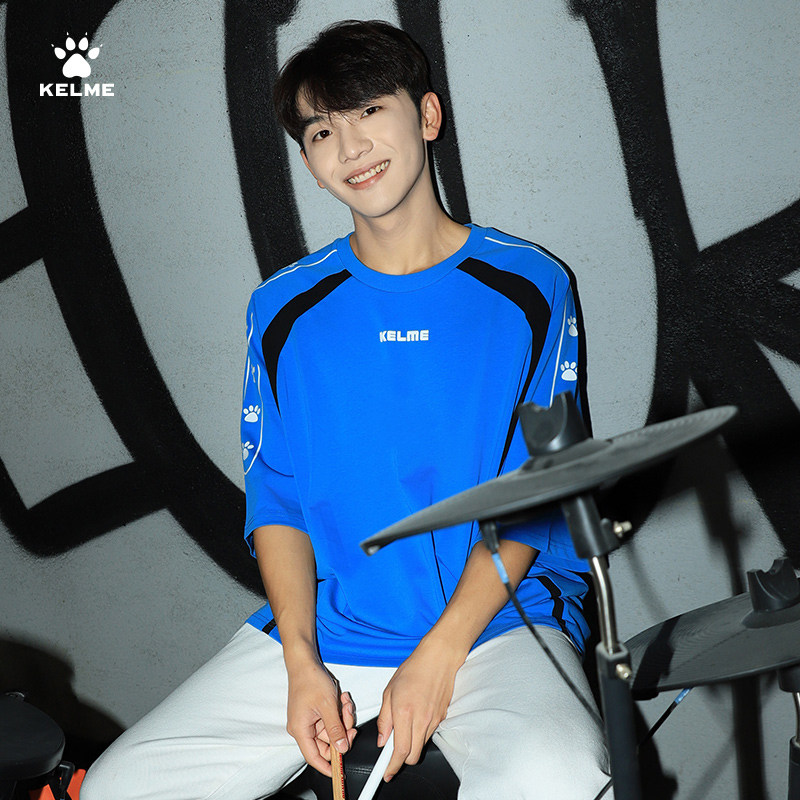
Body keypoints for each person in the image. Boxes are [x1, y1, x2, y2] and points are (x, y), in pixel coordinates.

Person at [82, 19, 610, 800]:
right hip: (335, 631)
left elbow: (540, 488)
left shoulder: (531, 286)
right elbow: (279, 500)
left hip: (501, 624)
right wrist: (302, 663)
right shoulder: (284, 308)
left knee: (558, 777)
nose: (351, 147)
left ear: (426, 115)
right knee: (121, 787)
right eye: (322, 130)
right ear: (309, 161)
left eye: (369, 111)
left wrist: (438, 657)